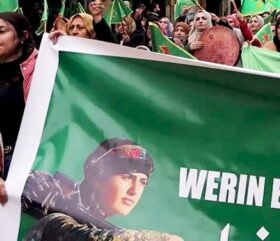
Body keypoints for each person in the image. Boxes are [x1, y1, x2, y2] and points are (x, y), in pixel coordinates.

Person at [21, 138, 182, 240]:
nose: (134, 190)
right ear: (94, 174)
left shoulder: (96, 221)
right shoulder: (46, 188)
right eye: (126, 177)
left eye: (142, 182)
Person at [0, 12, 37, 180]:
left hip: (32, 164)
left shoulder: (44, 66)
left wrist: (64, 49)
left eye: (1, 31)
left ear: (23, 36)